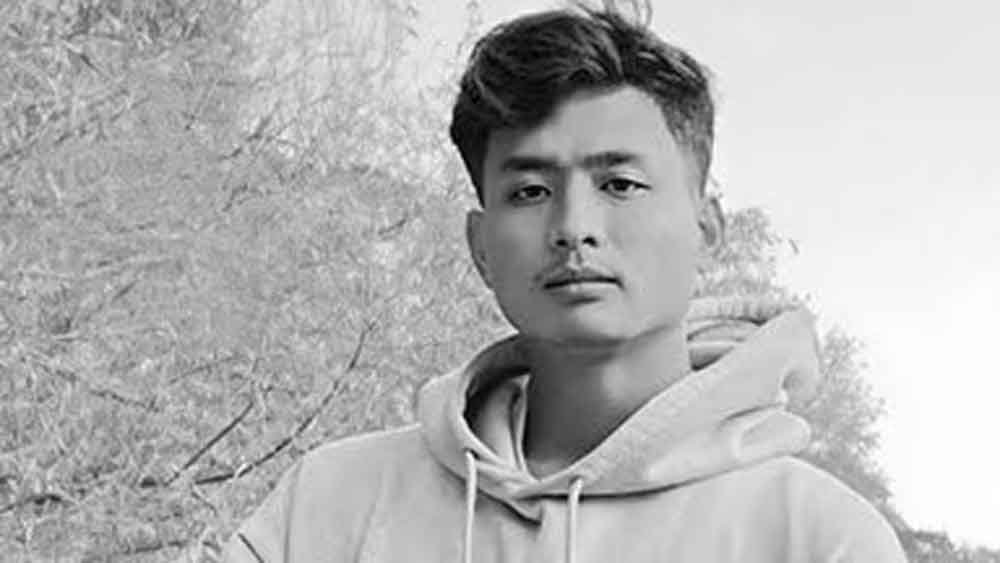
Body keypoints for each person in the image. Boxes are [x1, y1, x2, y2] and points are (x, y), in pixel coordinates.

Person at [223, 6, 907, 562]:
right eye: (529, 190)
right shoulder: (329, 507)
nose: (574, 227)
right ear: (480, 246)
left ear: (706, 228)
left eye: (620, 184)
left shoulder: (819, 537)